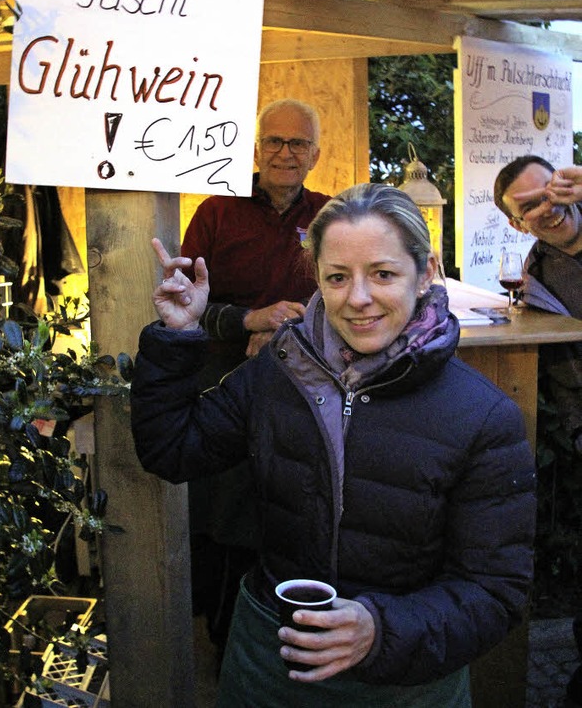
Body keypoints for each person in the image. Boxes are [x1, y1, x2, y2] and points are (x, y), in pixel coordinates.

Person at [131, 183, 536, 708]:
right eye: (338, 277)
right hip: (268, 660)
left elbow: (494, 591)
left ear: (426, 273)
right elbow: (172, 450)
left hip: (405, 680)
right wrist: (179, 336)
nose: (359, 298)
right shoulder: (278, 371)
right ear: (317, 277)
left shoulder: (482, 417)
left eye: (384, 274)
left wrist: (380, 629)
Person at [181, 98, 330, 659]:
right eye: (275, 141)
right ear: (256, 147)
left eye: (298, 144)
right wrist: (248, 319)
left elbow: (341, 294)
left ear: (315, 154)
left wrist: (286, 331)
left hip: (304, 384)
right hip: (224, 381)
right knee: (225, 518)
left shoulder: (330, 216)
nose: (286, 153)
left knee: (290, 512)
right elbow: (185, 303)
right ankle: (226, 644)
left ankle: (286, 639)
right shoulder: (216, 212)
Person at [493, 155, 582, 453]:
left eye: (550, 193)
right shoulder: (537, 282)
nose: (549, 208)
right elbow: (566, 375)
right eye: (531, 207)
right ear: (517, 225)